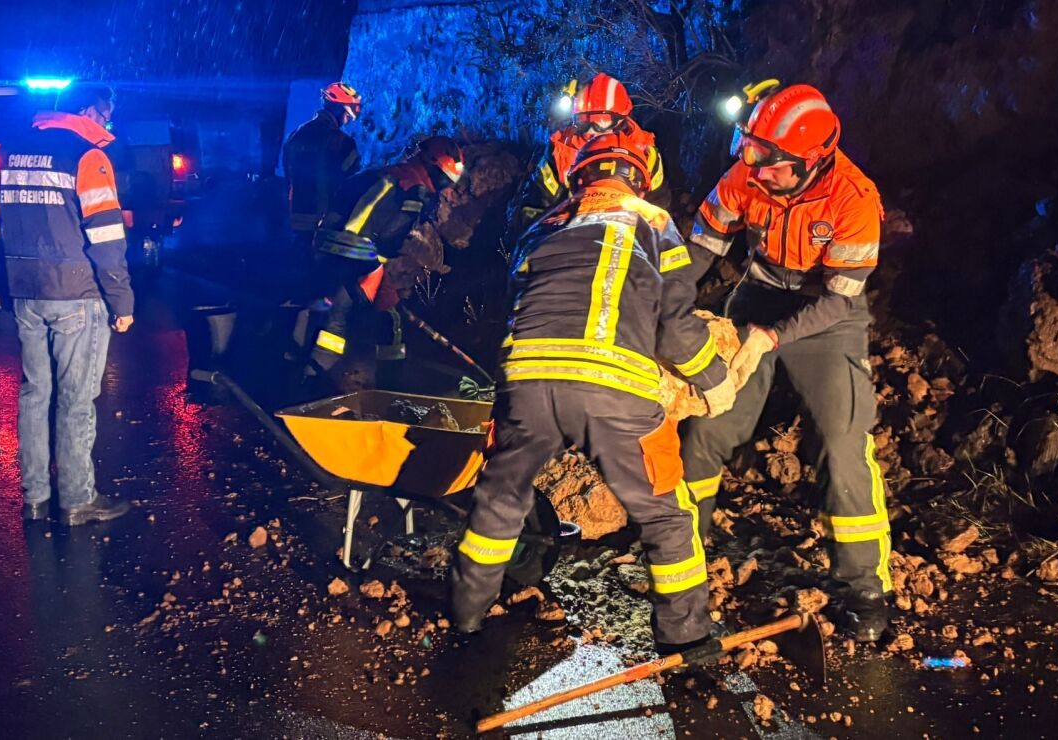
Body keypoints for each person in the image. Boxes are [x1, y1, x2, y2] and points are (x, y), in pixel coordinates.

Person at [451, 134, 737, 653]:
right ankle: (687, 643)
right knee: (666, 513)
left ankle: (467, 616)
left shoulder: (543, 225)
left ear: (577, 177)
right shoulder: (653, 221)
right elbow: (673, 326)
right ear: (639, 178)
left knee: (499, 496)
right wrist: (716, 379)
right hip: (614, 389)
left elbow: (515, 311)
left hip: (528, 383)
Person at [680, 83, 891, 641]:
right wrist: (662, 302)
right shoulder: (750, 172)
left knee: (842, 442)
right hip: (758, 296)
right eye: (749, 153)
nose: (755, 170)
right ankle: (681, 554)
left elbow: (838, 299)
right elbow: (703, 248)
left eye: (768, 162)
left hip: (826, 313)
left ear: (811, 161)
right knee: (705, 426)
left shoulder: (854, 199)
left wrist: (770, 339)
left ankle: (861, 586)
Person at [0, 82, 133, 526]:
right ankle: (79, 499)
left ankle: (36, 498)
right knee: (76, 400)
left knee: (34, 393)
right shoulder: (86, 156)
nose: (107, 122)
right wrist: (122, 300)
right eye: (105, 113)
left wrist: (0, 282)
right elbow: (105, 237)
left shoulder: (8, 156)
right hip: (76, 296)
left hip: (24, 292)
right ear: (86, 110)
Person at [305, 135, 466, 389]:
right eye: (446, 180)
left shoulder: (382, 173)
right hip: (360, 261)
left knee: (362, 314)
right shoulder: (414, 187)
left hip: (327, 253)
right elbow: (391, 237)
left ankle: (305, 369)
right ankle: (318, 379)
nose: (444, 187)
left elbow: (340, 201)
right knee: (341, 322)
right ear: (436, 169)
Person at [503, 72, 666, 247]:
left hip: (628, 237)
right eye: (584, 121)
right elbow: (536, 205)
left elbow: (660, 203)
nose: (591, 131)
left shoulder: (645, 152)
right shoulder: (561, 151)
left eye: (601, 121)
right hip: (573, 237)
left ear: (622, 119)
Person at [283, 82, 363, 241]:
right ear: (340, 109)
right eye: (348, 114)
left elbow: (288, 174)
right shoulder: (342, 142)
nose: (347, 120)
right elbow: (352, 183)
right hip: (327, 222)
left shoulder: (295, 135)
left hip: (295, 219)